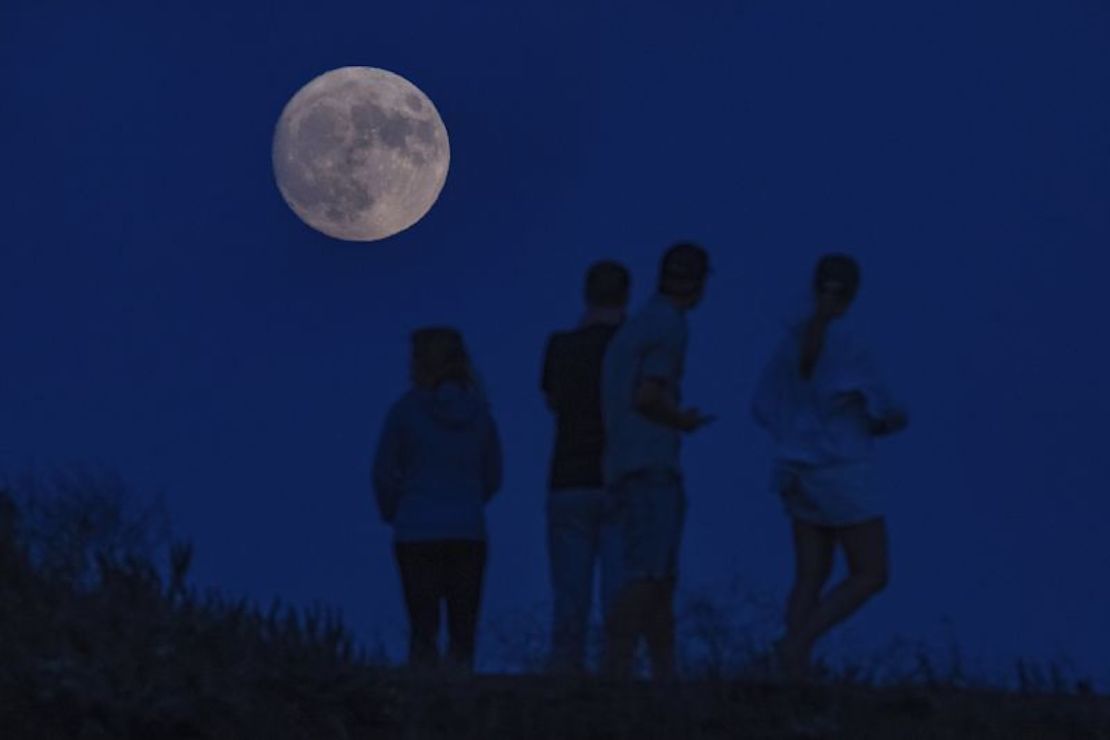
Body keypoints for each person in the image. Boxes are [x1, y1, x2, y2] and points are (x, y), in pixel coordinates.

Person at [751, 253, 908, 682]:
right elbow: (886, 408)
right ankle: (793, 649)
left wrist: (796, 436)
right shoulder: (851, 342)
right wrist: (881, 424)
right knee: (872, 572)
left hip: (795, 471)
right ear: (853, 293)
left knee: (810, 574)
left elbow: (760, 405)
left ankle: (792, 668)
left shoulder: (790, 342)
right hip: (841, 470)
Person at [601, 242, 714, 681]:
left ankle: (664, 674)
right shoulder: (670, 326)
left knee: (658, 575)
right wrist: (681, 419)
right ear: (699, 282)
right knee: (648, 574)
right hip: (651, 467)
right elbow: (648, 395)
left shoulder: (635, 326)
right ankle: (615, 670)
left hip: (623, 464)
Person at [373, 327, 502, 672]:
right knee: (463, 635)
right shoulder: (480, 414)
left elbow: (384, 472)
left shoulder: (403, 412)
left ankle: (422, 709)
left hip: (416, 529)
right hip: (467, 529)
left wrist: (395, 511)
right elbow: (493, 476)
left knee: (422, 631)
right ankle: (463, 708)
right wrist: (468, 499)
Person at [541, 260, 630, 674]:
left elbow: (552, 399)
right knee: (619, 590)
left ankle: (565, 676)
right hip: (620, 478)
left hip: (569, 480)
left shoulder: (560, 347)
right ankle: (617, 674)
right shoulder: (632, 349)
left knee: (570, 594)